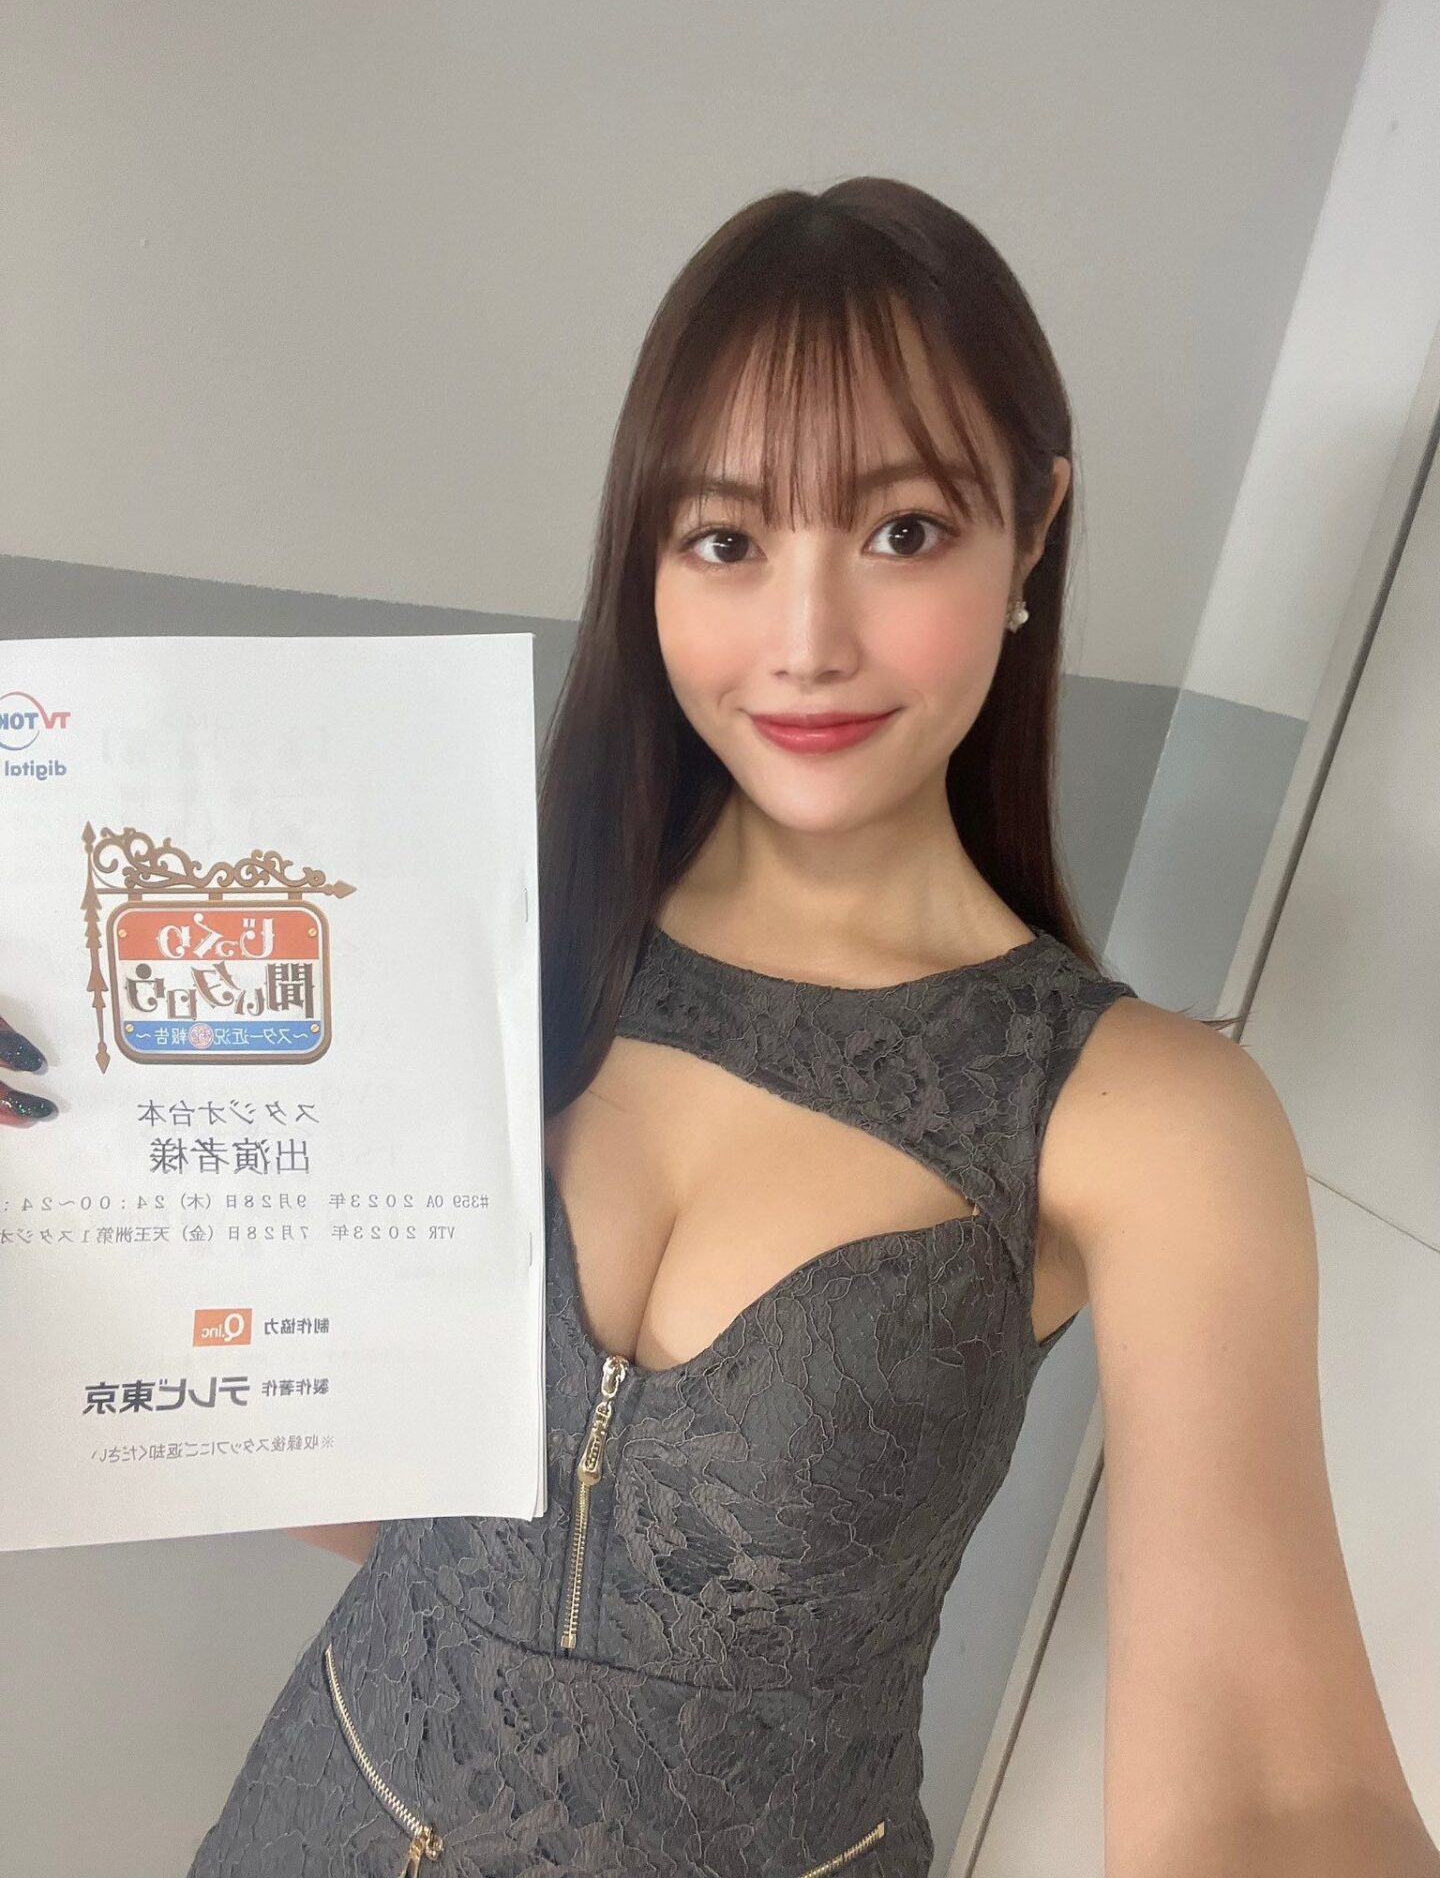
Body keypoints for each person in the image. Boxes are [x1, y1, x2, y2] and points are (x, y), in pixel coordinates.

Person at [10, 177, 1427, 1877]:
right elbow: (401, 1520)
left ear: (1034, 524)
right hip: (309, 1820)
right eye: (728, 542)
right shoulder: (502, 943)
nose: (807, 644)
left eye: (904, 531)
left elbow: (1281, 1798)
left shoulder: (1139, 1118)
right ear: (651, 554)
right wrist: (62, 1199)